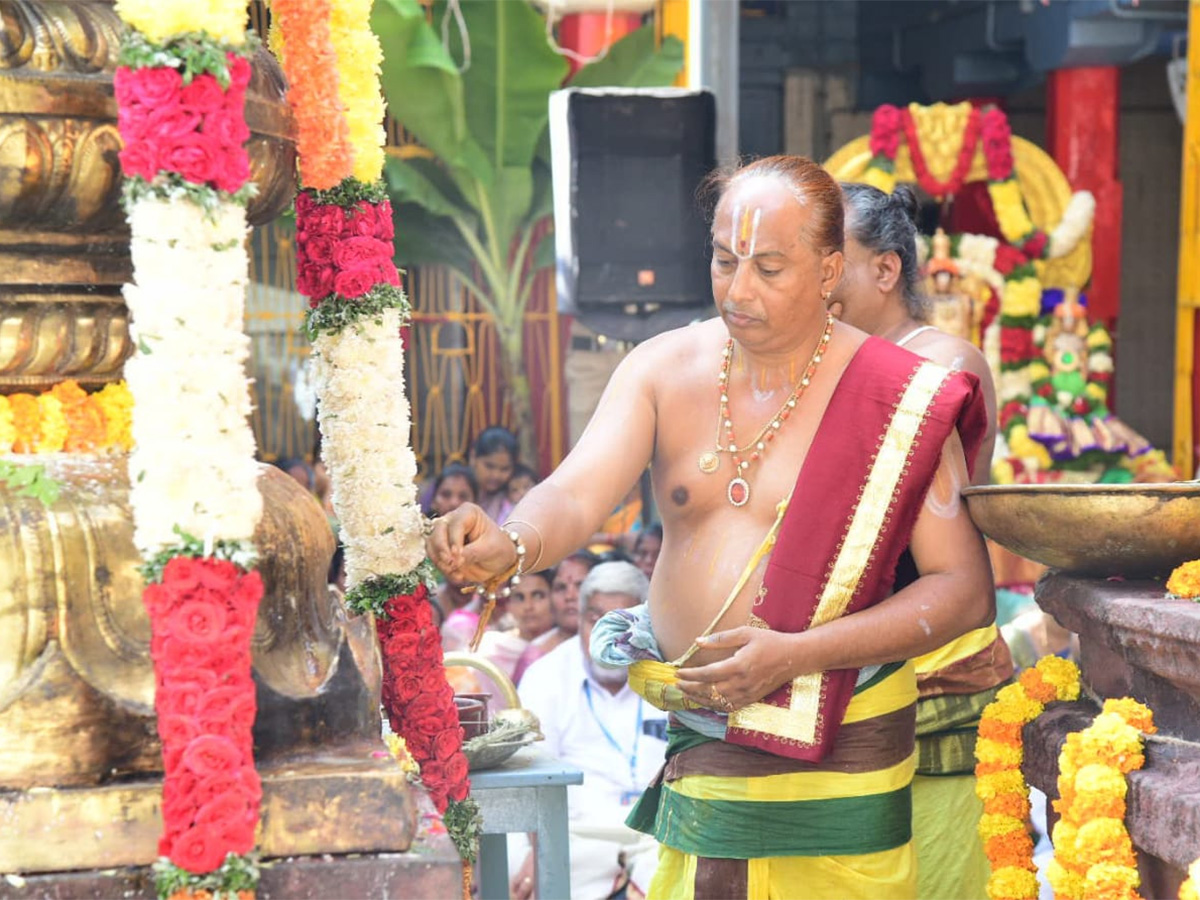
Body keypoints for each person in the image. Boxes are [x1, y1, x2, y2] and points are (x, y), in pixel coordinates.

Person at [428, 155, 993, 900]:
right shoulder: (662, 367)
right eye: (725, 262)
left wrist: (798, 654)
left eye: (769, 267)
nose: (739, 290)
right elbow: (574, 492)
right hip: (706, 728)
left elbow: (963, 591)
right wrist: (513, 541)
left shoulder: (898, 395)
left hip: (842, 732)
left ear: (831, 272)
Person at [832, 181, 1013, 900]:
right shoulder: (832, 359)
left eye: (829, 259)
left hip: (934, 653)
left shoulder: (941, 362)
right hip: (852, 659)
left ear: (884, 270)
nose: (812, 279)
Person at [511, 562, 668, 900]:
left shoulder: (668, 675)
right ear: (579, 620)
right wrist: (540, 853)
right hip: (573, 836)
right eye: (595, 620)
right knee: (517, 863)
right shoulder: (546, 676)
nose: (606, 636)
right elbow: (527, 777)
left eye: (622, 621)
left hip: (658, 834)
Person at [512, 549, 599, 684]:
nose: (570, 596)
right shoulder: (535, 657)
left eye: (580, 585)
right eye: (561, 587)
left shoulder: (619, 648)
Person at [470, 426, 519, 523]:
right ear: (473, 457)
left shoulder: (513, 497)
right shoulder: (454, 489)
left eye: (505, 469)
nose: (496, 475)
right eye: (489, 466)